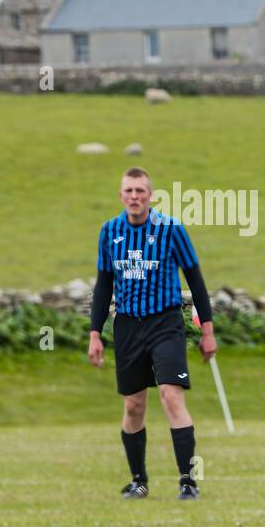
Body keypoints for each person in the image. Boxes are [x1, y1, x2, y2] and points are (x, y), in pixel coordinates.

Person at [89, 167, 217, 500]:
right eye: (129, 191)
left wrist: (208, 331)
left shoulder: (171, 230)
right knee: (133, 406)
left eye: (140, 191)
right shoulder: (109, 232)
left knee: (171, 396)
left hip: (165, 323)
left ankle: (188, 481)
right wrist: (94, 334)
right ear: (121, 196)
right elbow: (103, 286)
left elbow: (196, 280)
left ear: (151, 196)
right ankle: (138, 481)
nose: (135, 196)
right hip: (128, 326)